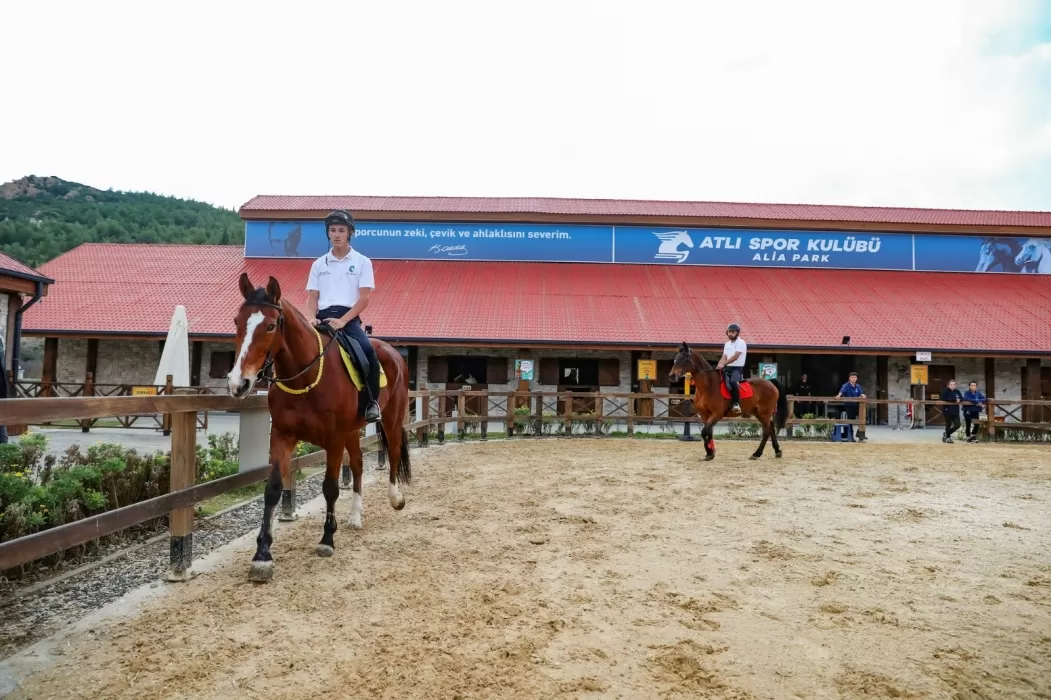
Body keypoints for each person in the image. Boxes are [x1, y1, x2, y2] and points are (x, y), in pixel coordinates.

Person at [305, 209, 381, 422]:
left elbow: (364, 298)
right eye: (332, 230)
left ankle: (371, 402)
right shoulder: (318, 264)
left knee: (367, 352)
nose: (336, 234)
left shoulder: (362, 262)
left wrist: (344, 320)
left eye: (341, 230)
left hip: (347, 319)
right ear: (327, 233)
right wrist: (311, 317)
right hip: (321, 319)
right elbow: (312, 297)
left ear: (350, 233)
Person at [715, 322, 747, 415]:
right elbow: (724, 356)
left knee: (733, 382)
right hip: (727, 368)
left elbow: (735, 356)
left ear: (737, 333)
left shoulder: (741, 342)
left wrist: (723, 364)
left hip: (737, 368)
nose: (730, 334)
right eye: (729, 332)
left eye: (732, 332)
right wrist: (719, 365)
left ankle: (736, 403)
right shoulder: (727, 344)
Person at [835, 371, 867, 442]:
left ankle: (860, 434)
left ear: (857, 378)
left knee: (863, 418)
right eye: (852, 377)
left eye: (855, 377)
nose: (853, 379)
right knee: (850, 421)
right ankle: (851, 436)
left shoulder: (858, 386)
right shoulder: (845, 385)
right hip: (849, 405)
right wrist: (839, 395)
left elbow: (861, 393)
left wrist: (862, 395)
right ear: (849, 378)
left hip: (857, 405)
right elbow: (842, 391)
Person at [940, 379, 964, 443]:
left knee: (957, 425)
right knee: (948, 424)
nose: (952, 385)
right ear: (948, 385)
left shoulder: (957, 391)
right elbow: (944, 398)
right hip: (947, 410)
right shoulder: (945, 391)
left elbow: (961, 398)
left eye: (954, 384)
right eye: (951, 384)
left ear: (955, 385)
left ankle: (946, 433)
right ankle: (948, 438)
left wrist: (960, 400)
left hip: (955, 410)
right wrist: (954, 400)